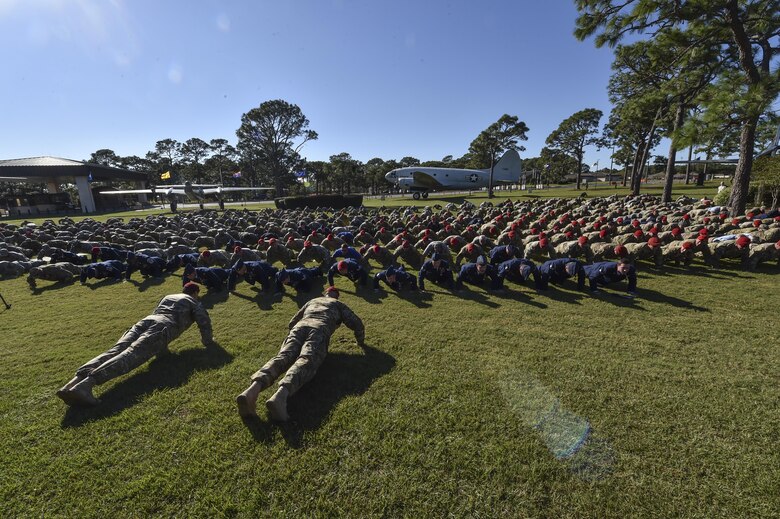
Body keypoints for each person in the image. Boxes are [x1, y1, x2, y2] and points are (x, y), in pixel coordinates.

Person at [56, 282, 214, 406]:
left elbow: (158, 312)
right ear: (195, 293)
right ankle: (86, 386)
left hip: (146, 321)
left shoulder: (169, 296)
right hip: (163, 326)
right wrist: (208, 342)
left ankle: (72, 384)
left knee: (116, 349)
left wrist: (162, 350)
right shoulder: (193, 301)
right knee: (131, 354)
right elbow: (203, 321)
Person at [235, 286, 365, 421]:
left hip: (299, 328)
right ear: (336, 296)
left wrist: (295, 339)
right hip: (319, 329)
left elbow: (292, 322)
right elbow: (357, 323)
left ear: (325, 293)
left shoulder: (312, 301)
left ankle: (251, 391)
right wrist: (360, 342)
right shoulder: (337, 304)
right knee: (306, 359)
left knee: (283, 356)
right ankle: (281, 396)